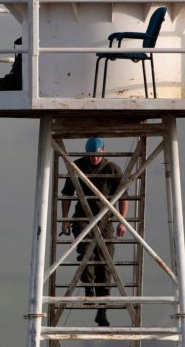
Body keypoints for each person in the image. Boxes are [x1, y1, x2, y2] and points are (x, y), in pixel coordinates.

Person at [60, 137, 128, 327]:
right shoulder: (77, 166)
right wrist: (65, 220)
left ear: (103, 151)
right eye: (91, 156)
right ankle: (88, 287)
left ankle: (102, 311)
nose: (94, 159)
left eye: (97, 155)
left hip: (105, 222)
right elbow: (67, 195)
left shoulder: (113, 169)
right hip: (82, 218)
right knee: (86, 250)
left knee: (105, 264)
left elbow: (123, 196)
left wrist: (122, 221)